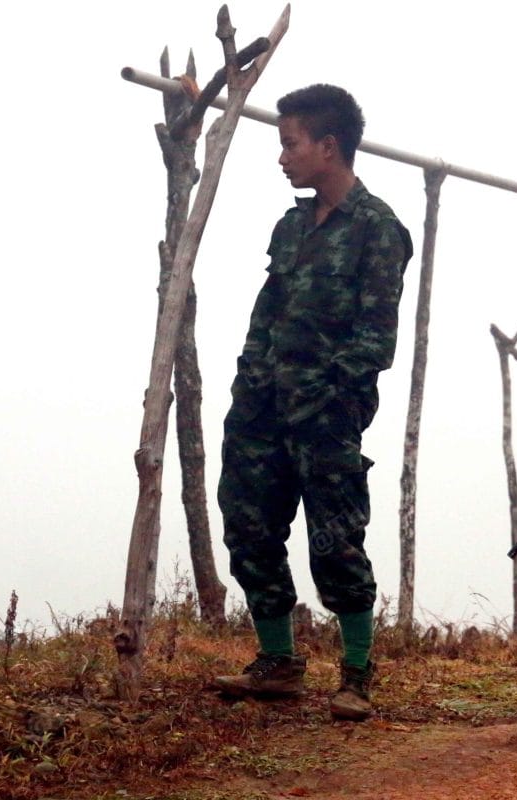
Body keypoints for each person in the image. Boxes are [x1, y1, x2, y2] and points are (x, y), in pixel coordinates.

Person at [212, 84, 412, 721]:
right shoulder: (292, 225)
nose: (282, 158)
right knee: (249, 526)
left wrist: (329, 396)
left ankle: (355, 674)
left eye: (290, 144)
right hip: (261, 411)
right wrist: (250, 383)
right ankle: (278, 664)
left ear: (329, 146)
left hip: (325, 416)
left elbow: (377, 339)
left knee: (336, 540)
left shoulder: (379, 230)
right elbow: (265, 315)